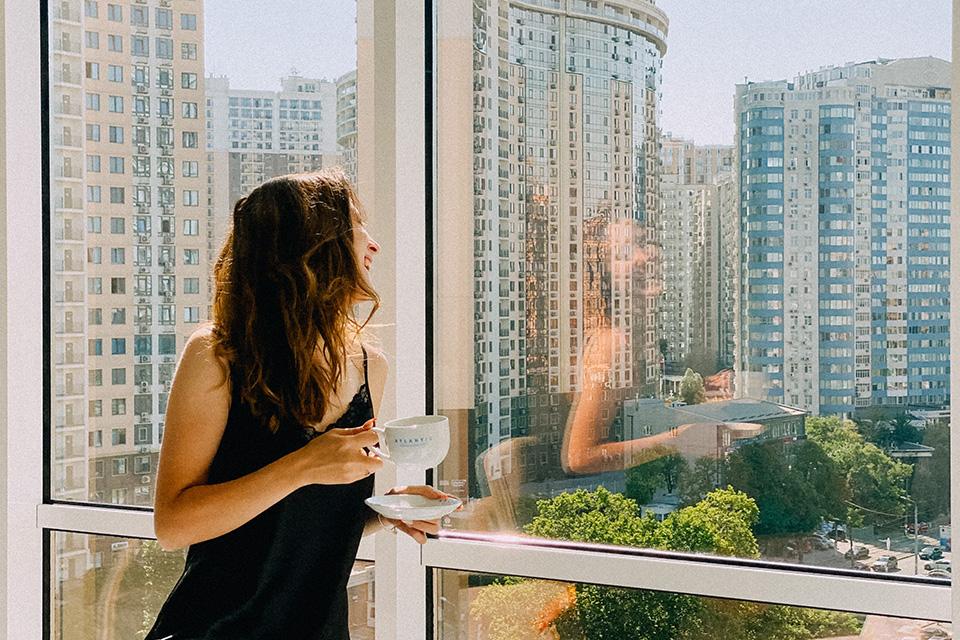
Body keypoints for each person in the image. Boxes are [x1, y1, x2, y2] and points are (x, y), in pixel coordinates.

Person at [146, 169, 450, 640]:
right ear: (311, 249)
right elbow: (174, 523)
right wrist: (302, 466)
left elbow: (297, 525)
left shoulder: (371, 367)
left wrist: (384, 513)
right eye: (354, 228)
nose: (373, 245)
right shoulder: (218, 356)